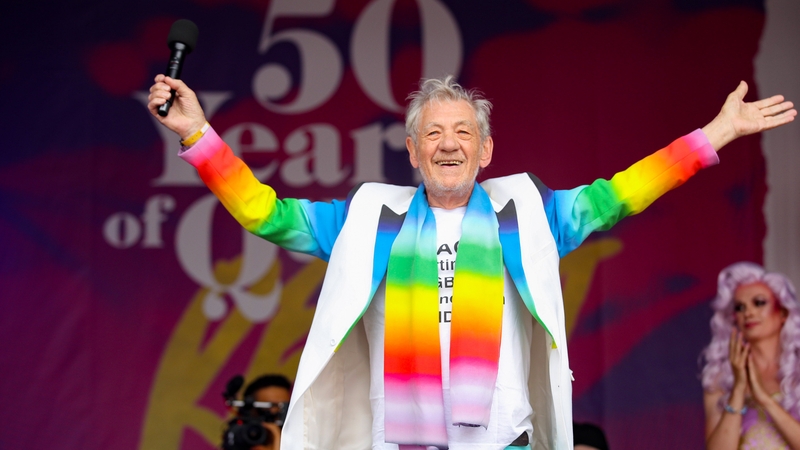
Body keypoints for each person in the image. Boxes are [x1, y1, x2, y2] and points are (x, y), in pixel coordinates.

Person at [148, 73, 795, 450]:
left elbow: (621, 193)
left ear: (486, 151)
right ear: (412, 151)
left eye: (463, 132)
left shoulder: (528, 212)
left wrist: (717, 133)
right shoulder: (368, 218)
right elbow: (265, 213)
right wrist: (198, 135)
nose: (448, 143)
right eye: (433, 132)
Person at [701, 262, 800, 449]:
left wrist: (765, 400)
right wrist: (738, 390)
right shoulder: (719, 379)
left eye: (759, 302)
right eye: (740, 307)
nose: (748, 312)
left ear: (783, 312)